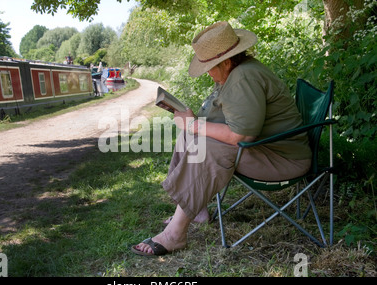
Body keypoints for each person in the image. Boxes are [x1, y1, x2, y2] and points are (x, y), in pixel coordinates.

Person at [131, 21, 312, 256]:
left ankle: (175, 235)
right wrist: (192, 124)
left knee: (205, 147)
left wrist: (195, 125)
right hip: (267, 150)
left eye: (210, 66)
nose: (208, 73)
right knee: (191, 136)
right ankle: (196, 209)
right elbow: (232, 123)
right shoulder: (238, 72)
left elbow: (242, 135)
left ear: (226, 61)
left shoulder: (243, 78)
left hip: (282, 159)